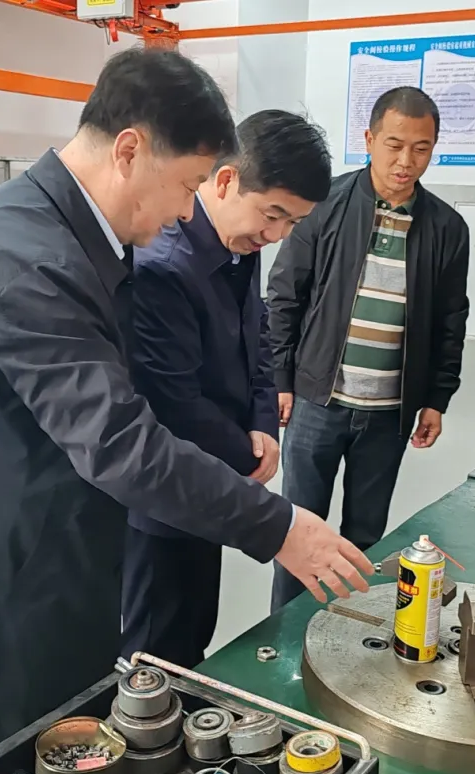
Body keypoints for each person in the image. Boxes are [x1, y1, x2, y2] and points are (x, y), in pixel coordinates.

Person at [0, 48, 371, 762]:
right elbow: (119, 442)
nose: (187, 209)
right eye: (185, 185)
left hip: (50, 559)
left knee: (76, 755)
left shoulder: (68, 231)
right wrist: (278, 526)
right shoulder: (28, 260)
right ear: (129, 151)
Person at [120, 110, 332, 668]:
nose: (276, 235)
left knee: (195, 629)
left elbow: (257, 337)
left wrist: (263, 423)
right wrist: (245, 453)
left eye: (292, 223)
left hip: (217, 478)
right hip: (167, 491)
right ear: (225, 180)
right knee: (154, 647)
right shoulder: (166, 265)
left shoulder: (239, 244)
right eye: (273, 215)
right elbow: (172, 402)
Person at [267, 87, 471, 611]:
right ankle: (282, 637)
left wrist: (437, 398)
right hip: (317, 402)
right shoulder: (324, 206)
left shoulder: (448, 228)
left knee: (365, 537)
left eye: (421, 148)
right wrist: (280, 379)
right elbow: (285, 295)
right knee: (299, 532)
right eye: (394, 145)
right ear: (369, 139)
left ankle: (348, 632)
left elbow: (451, 321)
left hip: (389, 414)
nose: (406, 161)